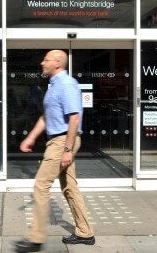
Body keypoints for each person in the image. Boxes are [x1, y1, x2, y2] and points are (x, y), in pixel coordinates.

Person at [13, 50, 95, 252]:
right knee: (69, 187)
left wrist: (67, 149)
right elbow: (46, 116)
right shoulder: (53, 85)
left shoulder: (66, 84)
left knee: (41, 186)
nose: (42, 62)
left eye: (46, 59)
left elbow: (74, 117)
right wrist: (31, 137)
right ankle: (85, 232)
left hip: (62, 141)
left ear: (57, 63)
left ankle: (36, 238)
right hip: (59, 140)